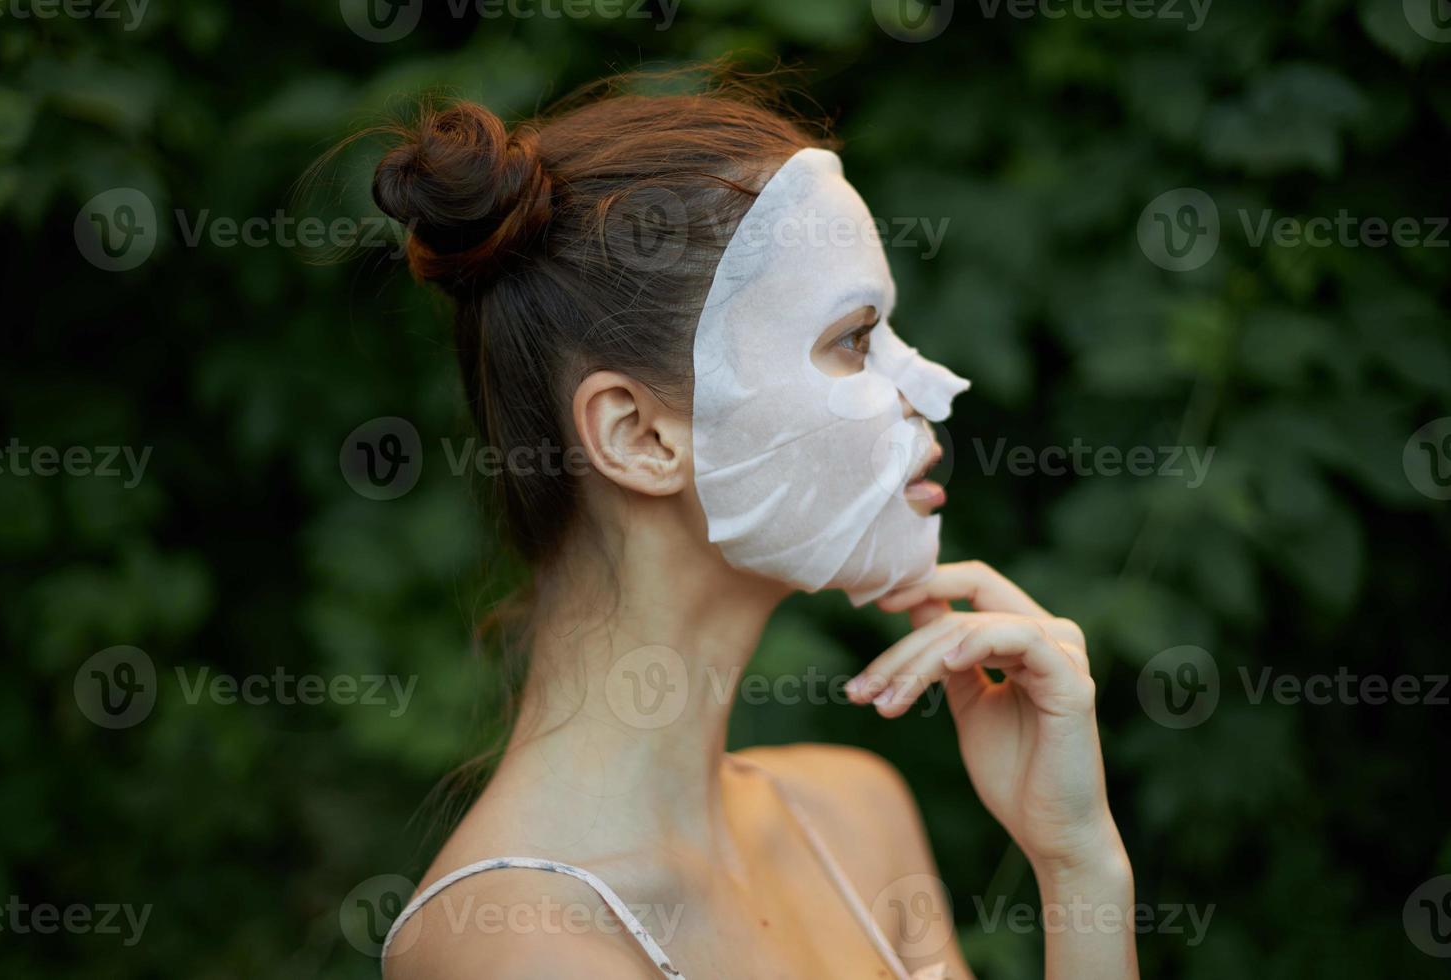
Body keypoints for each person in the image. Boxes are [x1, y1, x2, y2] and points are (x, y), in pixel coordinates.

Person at [367, 72, 1137, 980]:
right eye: (854, 340)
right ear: (640, 436)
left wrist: (1079, 861)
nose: (932, 387)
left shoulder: (856, 817)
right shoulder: (524, 950)